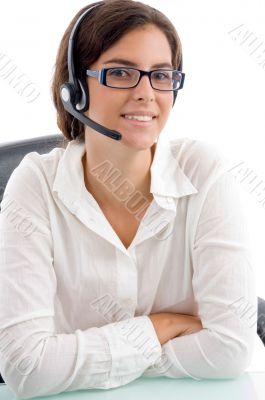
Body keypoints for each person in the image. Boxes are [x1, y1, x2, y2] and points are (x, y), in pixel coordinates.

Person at [0, 0, 257, 398]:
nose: (145, 93)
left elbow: (230, 351)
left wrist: (80, 360)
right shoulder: (33, 185)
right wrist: (162, 327)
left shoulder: (205, 172)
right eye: (120, 72)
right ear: (74, 88)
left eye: (161, 75)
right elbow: (26, 366)